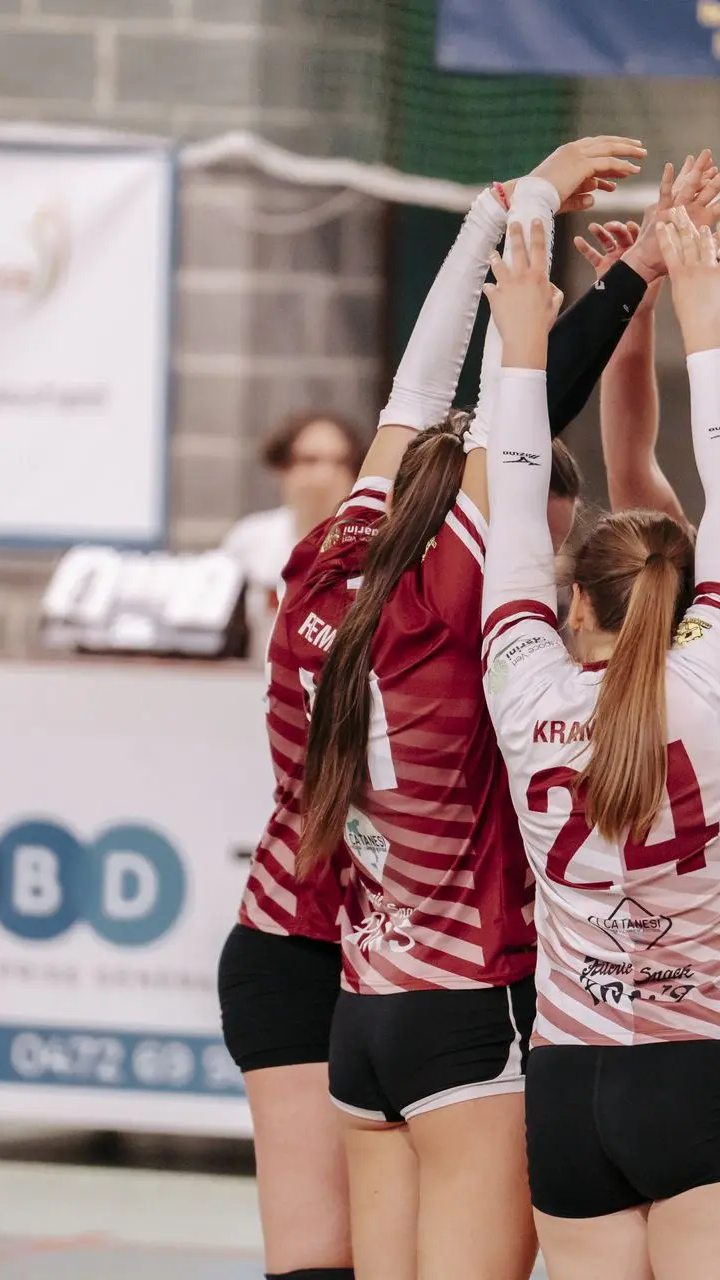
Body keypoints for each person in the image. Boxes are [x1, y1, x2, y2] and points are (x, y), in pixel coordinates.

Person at [286, 136, 647, 1280]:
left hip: (364, 1009)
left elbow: (417, 396)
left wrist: (509, 207)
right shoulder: (457, 601)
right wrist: (523, 213)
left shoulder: (325, 572)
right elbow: (500, 411)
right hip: (465, 1006)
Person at [480, 209, 720, 1280]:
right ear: (687, 600)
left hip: (568, 1086)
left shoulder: (520, 680)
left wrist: (522, 348)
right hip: (712, 1075)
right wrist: (713, 316)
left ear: (574, 602)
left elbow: (511, 500)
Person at [224, 413, 371, 653]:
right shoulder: (250, 538)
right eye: (309, 460)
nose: (324, 476)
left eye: (340, 462)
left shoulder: (371, 543)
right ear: (283, 468)